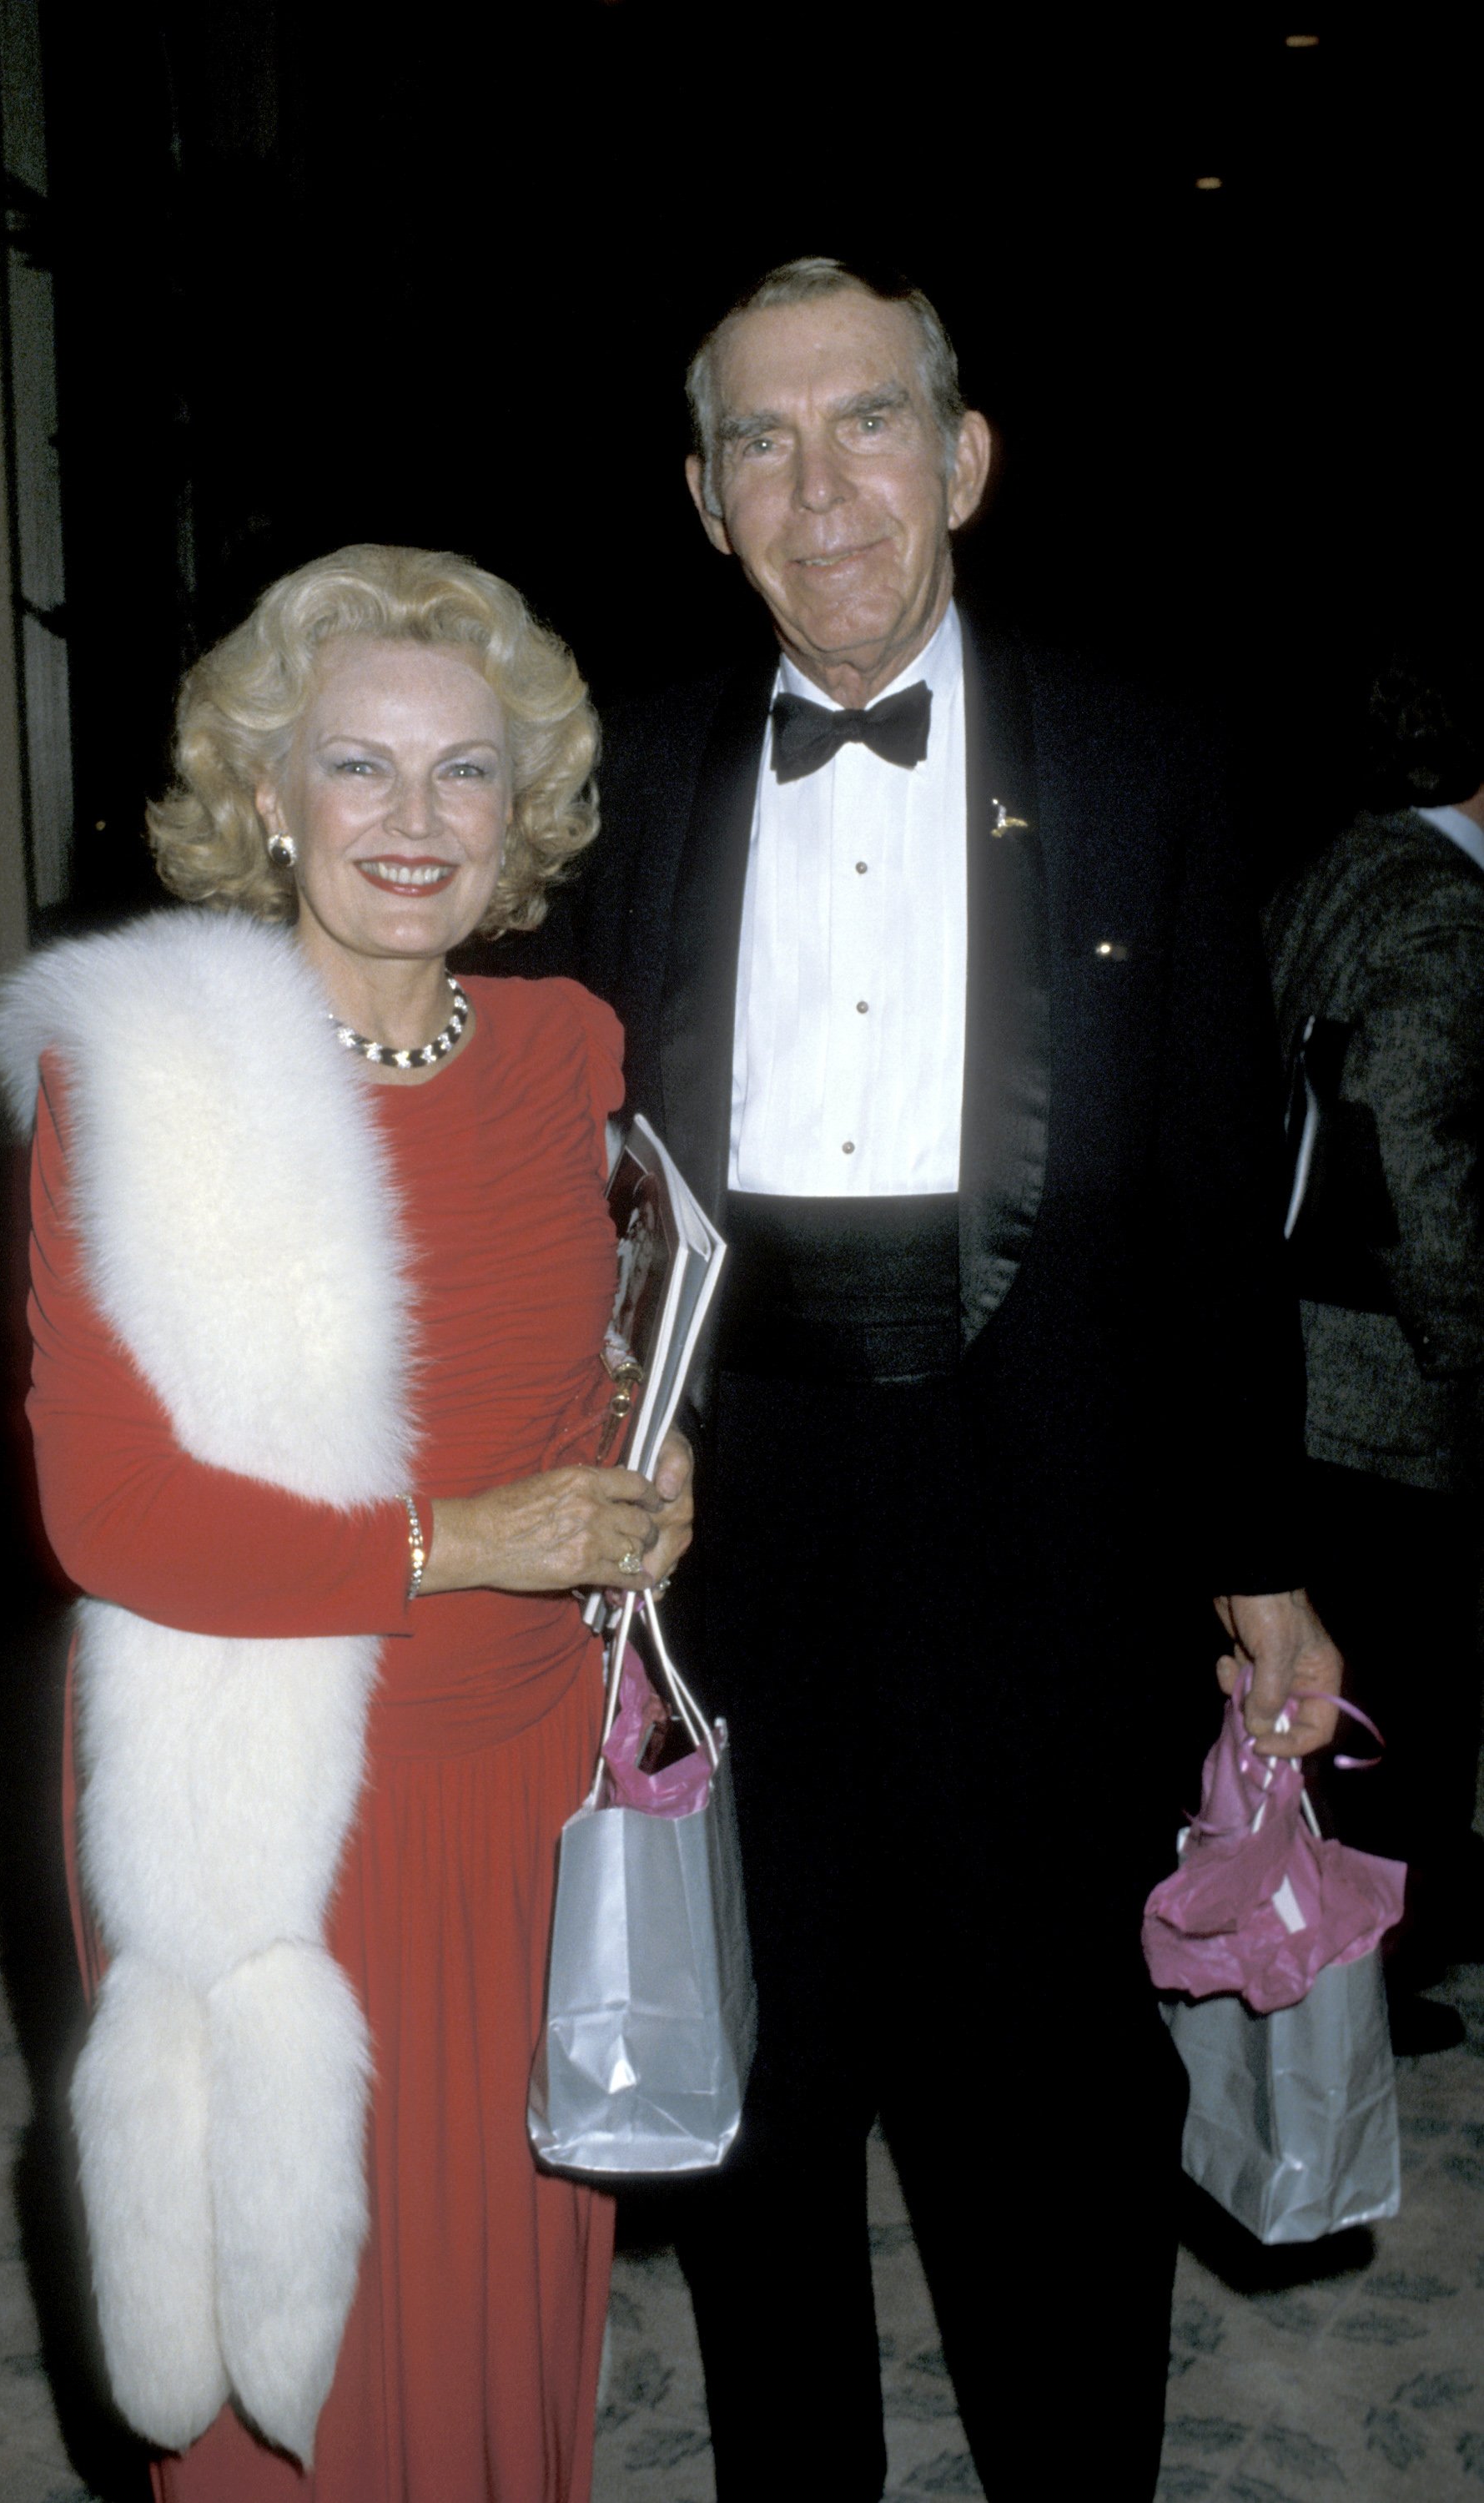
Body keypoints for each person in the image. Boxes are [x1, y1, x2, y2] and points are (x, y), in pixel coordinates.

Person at [519, 259, 1344, 2501]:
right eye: (761, 446)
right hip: (726, 1506)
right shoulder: (632, 769)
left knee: (1050, 2093)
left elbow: (1203, 1182)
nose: (823, 490)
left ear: (961, 459)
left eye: (865, 423)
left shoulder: (1141, 752)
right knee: (758, 2094)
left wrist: (1254, 1552)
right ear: (701, 500)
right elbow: (549, 1170)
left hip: (1048, 1501)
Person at [0, 545, 694, 2503]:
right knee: (293, 2313)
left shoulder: (568, 1052)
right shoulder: (140, 1071)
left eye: (465, 773)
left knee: (504, 2285)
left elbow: (589, 1369)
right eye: (358, 767)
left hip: (529, 1761)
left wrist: (651, 1466)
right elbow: (108, 1509)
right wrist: (465, 1539)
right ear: (267, 795)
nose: (413, 820)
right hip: (284, 1782)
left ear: (521, 815)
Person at [1267, 647, 1484, 2053]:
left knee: (1319, 1695)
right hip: (1383, 1380)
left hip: (1288, 1354)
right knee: (1394, 1699)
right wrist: (1467, 1333)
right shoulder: (1446, 914)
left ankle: (1325, 1953)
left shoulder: (1329, 869)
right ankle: (1371, 1981)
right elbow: (1411, 1151)